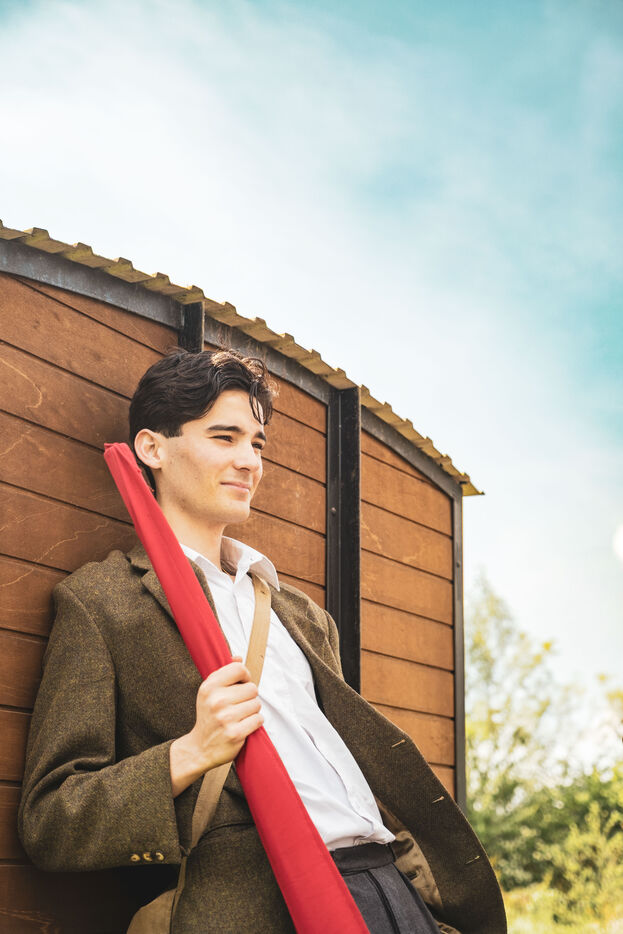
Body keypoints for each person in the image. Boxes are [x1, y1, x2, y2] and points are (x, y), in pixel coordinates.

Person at [18, 348, 506, 934]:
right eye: (224, 437)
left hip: (389, 894)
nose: (249, 460)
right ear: (152, 448)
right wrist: (190, 752)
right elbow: (52, 819)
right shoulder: (101, 601)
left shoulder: (302, 613)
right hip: (263, 907)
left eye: (257, 444)